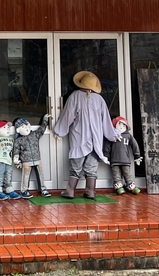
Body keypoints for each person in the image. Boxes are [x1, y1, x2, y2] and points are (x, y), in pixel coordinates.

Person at [53, 71, 120, 199]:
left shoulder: (74, 96)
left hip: (79, 136)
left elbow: (68, 116)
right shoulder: (99, 99)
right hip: (95, 138)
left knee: (76, 166)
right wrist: (113, 135)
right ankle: (90, 191)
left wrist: (60, 131)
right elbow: (105, 119)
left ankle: (70, 191)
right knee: (91, 167)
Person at [104, 116, 142, 194]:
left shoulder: (128, 136)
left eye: (123, 125)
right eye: (119, 124)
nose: (121, 127)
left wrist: (137, 156)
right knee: (116, 175)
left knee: (127, 174)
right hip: (114, 160)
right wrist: (105, 156)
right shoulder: (112, 136)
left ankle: (131, 186)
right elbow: (107, 146)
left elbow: (135, 145)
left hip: (125, 160)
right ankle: (119, 187)